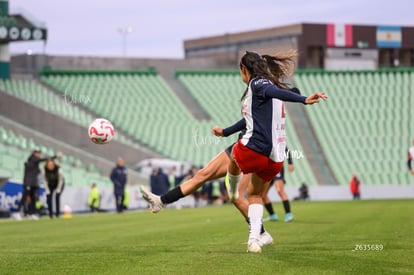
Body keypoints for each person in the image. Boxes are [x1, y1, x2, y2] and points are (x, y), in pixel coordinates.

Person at [225, 51, 326, 252]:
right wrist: (299, 96)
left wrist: (304, 99)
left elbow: (273, 92)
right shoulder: (273, 89)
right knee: (255, 195)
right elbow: (281, 93)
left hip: (255, 149)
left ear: (244, 69)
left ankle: (233, 192)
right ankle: (255, 239)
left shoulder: (258, 84)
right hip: (275, 158)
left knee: (233, 155)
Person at [14, 150, 62, 220]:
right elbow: (43, 160)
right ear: (34, 154)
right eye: (38, 153)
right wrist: (55, 156)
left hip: (34, 183)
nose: (39, 155)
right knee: (24, 197)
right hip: (28, 182)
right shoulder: (32, 159)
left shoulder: (34, 163)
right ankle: (17, 212)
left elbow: (37, 170)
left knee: (34, 199)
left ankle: (32, 213)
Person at [262, 147, 294, 222]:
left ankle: (289, 214)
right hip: (266, 168)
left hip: (276, 167)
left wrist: (290, 163)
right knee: (263, 194)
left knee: (280, 190)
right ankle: (272, 215)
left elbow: (286, 150)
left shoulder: (275, 137)